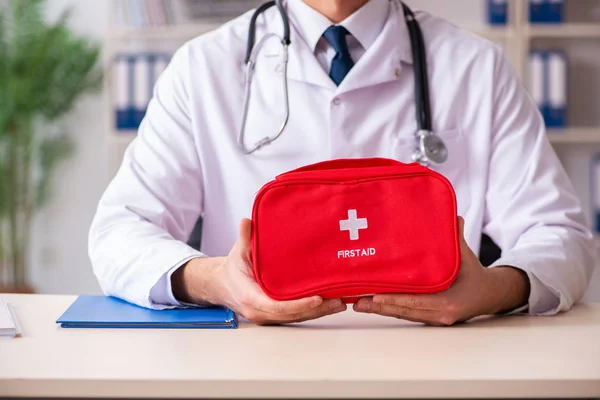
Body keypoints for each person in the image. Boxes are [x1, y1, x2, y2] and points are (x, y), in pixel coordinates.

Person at [89, 0, 596, 326]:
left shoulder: (475, 66)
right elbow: (119, 232)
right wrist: (214, 279)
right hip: (253, 369)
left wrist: (493, 290)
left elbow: (559, 233)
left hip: (436, 370)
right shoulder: (203, 67)